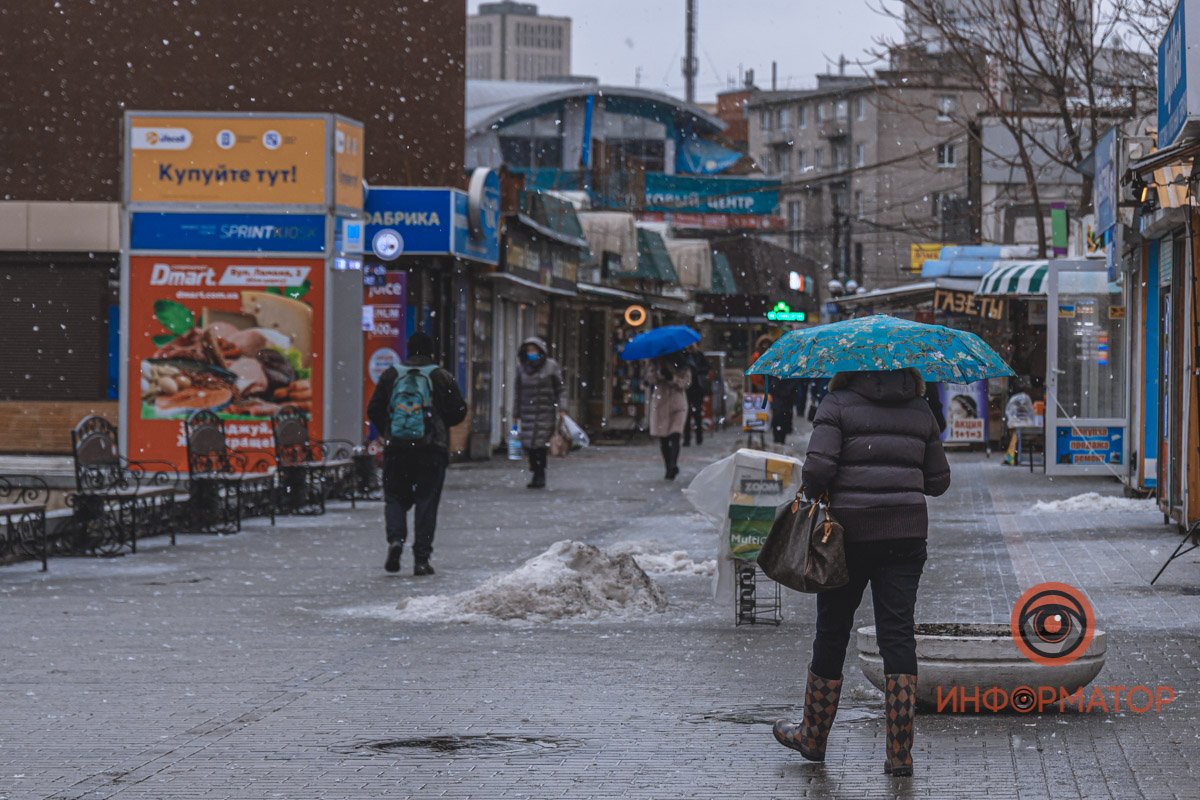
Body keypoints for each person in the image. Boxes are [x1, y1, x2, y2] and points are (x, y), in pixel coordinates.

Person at [772, 368, 950, 777]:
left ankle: (813, 737)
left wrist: (828, 487)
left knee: (832, 632)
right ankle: (899, 753)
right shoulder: (920, 408)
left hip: (845, 537)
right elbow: (939, 482)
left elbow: (817, 471)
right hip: (905, 536)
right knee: (898, 635)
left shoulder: (836, 404)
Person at [367, 332, 467, 577]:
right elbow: (459, 412)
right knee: (426, 502)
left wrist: (389, 431)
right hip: (431, 450)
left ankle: (395, 540)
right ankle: (421, 559)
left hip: (397, 449)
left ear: (408, 350)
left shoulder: (392, 374)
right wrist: (440, 423)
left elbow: (374, 408)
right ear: (431, 351)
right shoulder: (441, 376)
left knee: (394, 497)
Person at [514, 336, 565, 489]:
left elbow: (560, 389)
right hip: (527, 411)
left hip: (545, 411)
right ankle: (534, 469)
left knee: (540, 445)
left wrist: (562, 408)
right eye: (529, 350)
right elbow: (518, 391)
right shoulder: (521, 368)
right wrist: (515, 413)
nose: (531, 353)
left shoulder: (551, 366)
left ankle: (540, 473)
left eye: (534, 350)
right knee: (529, 444)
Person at [645, 352, 692, 480]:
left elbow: (686, 383)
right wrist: (659, 374)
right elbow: (649, 379)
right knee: (664, 437)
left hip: (677, 402)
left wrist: (673, 378)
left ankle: (673, 464)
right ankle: (668, 467)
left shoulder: (683, 363)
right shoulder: (655, 361)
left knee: (675, 434)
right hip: (661, 403)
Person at [683, 345, 710, 447]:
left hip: (697, 386)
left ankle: (698, 437)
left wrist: (697, 371)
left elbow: (706, 367)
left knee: (697, 412)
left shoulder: (698, 355)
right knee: (687, 413)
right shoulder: (684, 356)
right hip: (687, 387)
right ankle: (687, 438)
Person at [769, 376, 800, 445]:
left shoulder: (775, 372)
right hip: (783, 399)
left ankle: (779, 438)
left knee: (780, 418)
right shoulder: (791, 375)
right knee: (781, 418)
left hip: (782, 399)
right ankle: (779, 438)